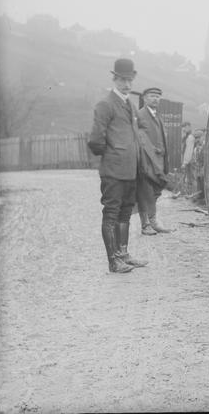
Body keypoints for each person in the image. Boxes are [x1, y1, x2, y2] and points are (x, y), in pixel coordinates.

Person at [88, 58, 148, 273]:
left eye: (130, 80)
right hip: (113, 171)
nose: (127, 84)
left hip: (130, 170)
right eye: (122, 80)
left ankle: (123, 254)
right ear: (114, 79)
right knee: (111, 213)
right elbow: (95, 140)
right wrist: (113, 155)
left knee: (124, 213)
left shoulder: (129, 105)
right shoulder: (106, 104)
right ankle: (113, 261)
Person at [136, 86, 173, 235]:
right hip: (145, 161)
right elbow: (137, 137)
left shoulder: (158, 117)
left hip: (159, 161)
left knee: (155, 191)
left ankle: (153, 221)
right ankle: (145, 225)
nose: (155, 99)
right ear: (144, 98)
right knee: (144, 191)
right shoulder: (139, 115)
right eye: (152, 96)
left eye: (158, 96)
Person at [181, 122, 195, 194]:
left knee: (191, 178)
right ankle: (189, 193)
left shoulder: (190, 137)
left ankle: (192, 193)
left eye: (185, 127)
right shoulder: (186, 137)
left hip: (190, 161)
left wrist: (185, 162)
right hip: (189, 161)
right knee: (189, 177)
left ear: (189, 127)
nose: (184, 129)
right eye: (183, 128)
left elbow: (188, 151)